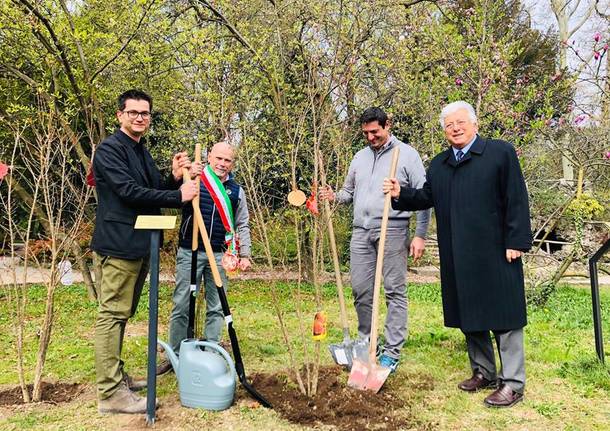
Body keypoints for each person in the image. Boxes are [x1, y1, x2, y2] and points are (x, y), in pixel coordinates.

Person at [383, 100, 532, 408]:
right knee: (471, 315)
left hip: (497, 251)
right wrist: (401, 194)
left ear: (475, 124)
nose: (456, 128)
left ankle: (513, 383)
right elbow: (427, 196)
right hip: (459, 253)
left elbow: (516, 197)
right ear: (444, 131)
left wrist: (516, 240)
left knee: (504, 315)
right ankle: (483, 372)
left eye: (461, 122)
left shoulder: (500, 153)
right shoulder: (439, 164)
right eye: (449, 125)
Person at [91, 89, 199, 414]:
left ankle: (116, 378)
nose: (140, 117)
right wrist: (179, 195)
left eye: (145, 113)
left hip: (138, 246)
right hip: (118, 245)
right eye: (134, 112)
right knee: (111, 316)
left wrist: (174, 178)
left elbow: (155, 189)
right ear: (120, 115)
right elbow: (129, 193)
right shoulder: (109, 150)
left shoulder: (140, 150)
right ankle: (110, 394)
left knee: (121, 315)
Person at [319, 107, 430, 373]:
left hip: (392, 228)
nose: (370, 137)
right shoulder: (359, 157)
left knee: (394, 290)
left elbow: (425, 197)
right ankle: (367, 340)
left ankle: (392, 351)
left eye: (375, 132)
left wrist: (420, 235)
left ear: (387, 125)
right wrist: (333, 196)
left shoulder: (406, 155)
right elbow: (349, 191)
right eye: (366, 133)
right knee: (360, 289)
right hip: (362, 229)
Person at [157, 141, 252, 375]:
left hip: (220, 254)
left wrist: (246, 254)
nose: (222, 163)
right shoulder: (195, 178)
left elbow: (242, 224)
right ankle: (176, 354)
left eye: (227, 160)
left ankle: (211, 352)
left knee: (217, 305)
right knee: (181, 303)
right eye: (218, 158)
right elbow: (169, 196)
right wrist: (184, 177)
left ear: (232, 163)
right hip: (190, 250)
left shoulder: (236, 191)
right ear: (210, 157)